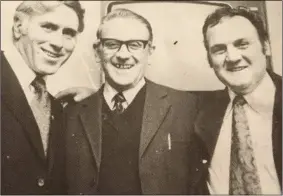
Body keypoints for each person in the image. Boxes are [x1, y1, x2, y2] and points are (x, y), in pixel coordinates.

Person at [64, 8, 199, 195]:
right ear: (97, 51)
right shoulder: (71, 112)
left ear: (149, 52)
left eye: (134, 45)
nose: (123, 54)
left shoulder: (186, 107)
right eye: (112, 44)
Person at [192, 6, 282, 194]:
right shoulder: (200, 112)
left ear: (266, 46)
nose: (232, 57)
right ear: (209, 60)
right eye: (219, 50)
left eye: (242, 44)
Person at [1, 1, 85, 194]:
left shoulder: (56, 106)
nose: (58, 43)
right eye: (48, 27)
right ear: (18, 26)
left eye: (69, 33)